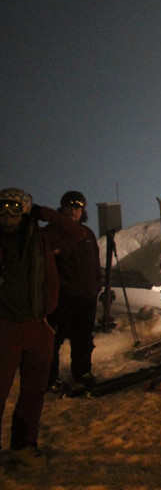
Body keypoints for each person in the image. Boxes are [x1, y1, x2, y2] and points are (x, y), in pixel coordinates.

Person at [0, 187, 84, 468]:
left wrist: (45, 213)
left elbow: (76, 232)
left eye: (15, 208)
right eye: (2, 207)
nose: (8, 214)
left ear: (26, 210)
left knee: (34, 392)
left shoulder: (43, 238)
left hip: (38, 326)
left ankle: (23, 446)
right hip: (4, 326)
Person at [48, 191, 102, 393]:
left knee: (83, 339)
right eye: (69, 207)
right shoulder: (53, 232)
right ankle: (49, 378)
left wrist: (96, 286)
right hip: (62, 296)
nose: (74, 211)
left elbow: (95, 263)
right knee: (53, 339)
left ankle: (82, 373)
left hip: (86, 297)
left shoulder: (87, 233)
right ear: (62, 209)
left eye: (78, 208)